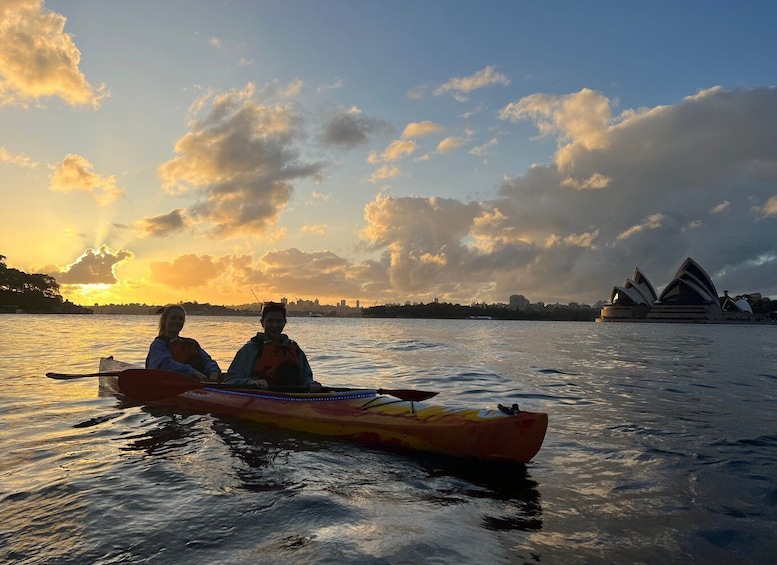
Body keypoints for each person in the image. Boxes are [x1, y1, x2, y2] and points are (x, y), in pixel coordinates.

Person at [225, 302, 322, 391]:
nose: (275, 326)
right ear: (262, 323)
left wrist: (311, 384)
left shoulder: (295, 349)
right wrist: (251, 382)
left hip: (292, 400)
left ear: (285, 322)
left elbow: (306, 378)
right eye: (270, 321)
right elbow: (230, 380)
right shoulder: (250, 349)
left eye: (279, 321)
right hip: (260, 398)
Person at [146, 304, 221, 382]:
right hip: (172, 384)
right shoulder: (158, 344)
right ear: (165, 320)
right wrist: (192, 372)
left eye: (180, 319)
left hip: (200, 384)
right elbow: (164, 364)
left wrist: (213, 372)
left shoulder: (191, 343)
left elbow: (207, 360)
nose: (177, 321)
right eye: (173, 318)